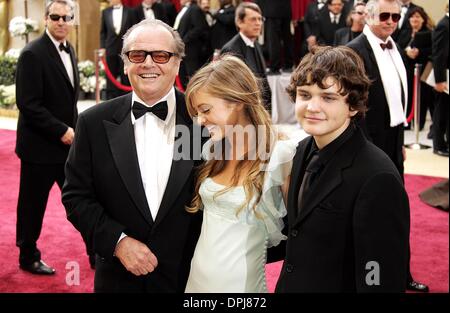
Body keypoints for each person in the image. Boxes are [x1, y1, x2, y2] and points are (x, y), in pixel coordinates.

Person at [62, 19, 202, 293]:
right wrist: (118, 241)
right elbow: (76, 196)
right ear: (125, 64)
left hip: (190, 279)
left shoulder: (203, 120)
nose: (148, 63)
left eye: (161, 55)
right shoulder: (92, 122)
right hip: (118, 281)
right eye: (137, 55)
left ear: (177, 62)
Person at [275, 46, 410, 292]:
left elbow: (379, 275)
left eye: (328, 98)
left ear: (353, 106)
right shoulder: (300, 150)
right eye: (305, 95)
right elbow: (296, 233)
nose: (312, 107)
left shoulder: (377, 177)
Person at [184, 55, 300, 292]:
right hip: (197, 279)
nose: (200, 121)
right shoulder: (213, 149)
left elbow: (300, 233)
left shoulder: (280, 155)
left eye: (205, 110)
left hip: (242, 286)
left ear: (236, 101)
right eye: (197, 113)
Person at [347, 0, 428, 292]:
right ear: (368, 17)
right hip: (367, 142)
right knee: (369, 214)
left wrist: (400, 138)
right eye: (384, 15)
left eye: (395, 16)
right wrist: (364, 148)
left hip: (393, 139)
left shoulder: (396, 47)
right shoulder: (354, 50)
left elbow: (396, 97)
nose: (391, 21)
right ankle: (369, 280)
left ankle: (399, 272)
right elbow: (352, 105)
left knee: (396, 210)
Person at [15, 0, 80, 275]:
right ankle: (27, 257)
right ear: (45, 19)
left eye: (67, 17)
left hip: (68, 148)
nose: (62, 22)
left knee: (81, 201)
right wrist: (62, 131)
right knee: (32, 206)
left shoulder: (70, 49)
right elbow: (28, 104)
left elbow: (68, 100)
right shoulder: (32, 53)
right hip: (39, 148)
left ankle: (97, 252)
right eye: (56, 17)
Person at [221, 2, 272, 111]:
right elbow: (234, 90)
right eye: (253, 19)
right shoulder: (231, 49)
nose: (258, 23)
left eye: (260, 19)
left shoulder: (256, 44)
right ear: (240, 22)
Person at [100, 0, 135, 100]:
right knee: (110, 77)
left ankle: (127, 99)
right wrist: (103, 47)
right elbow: (103, 32)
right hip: (110, 48)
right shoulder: (105, 12)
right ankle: (111, 100)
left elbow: (133, 29)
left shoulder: (130, 11)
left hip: (125, 49)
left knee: (125, 77)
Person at [431, 4, 449, 157]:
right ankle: (438, 145)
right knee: (441, 111)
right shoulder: (443, 25)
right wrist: (440, 80)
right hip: (444, 77)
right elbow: (438, 54)